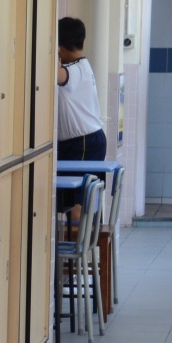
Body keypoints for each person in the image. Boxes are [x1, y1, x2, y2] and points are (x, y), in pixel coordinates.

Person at [55, 17, 105, 222]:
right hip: (82, 141)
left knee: (79, 202)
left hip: (83, 143)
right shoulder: (82, 65)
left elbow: (56, 75)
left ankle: (80, 241)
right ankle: (81, 240)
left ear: (60, 47)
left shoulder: (75, 70)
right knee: (76, 200)